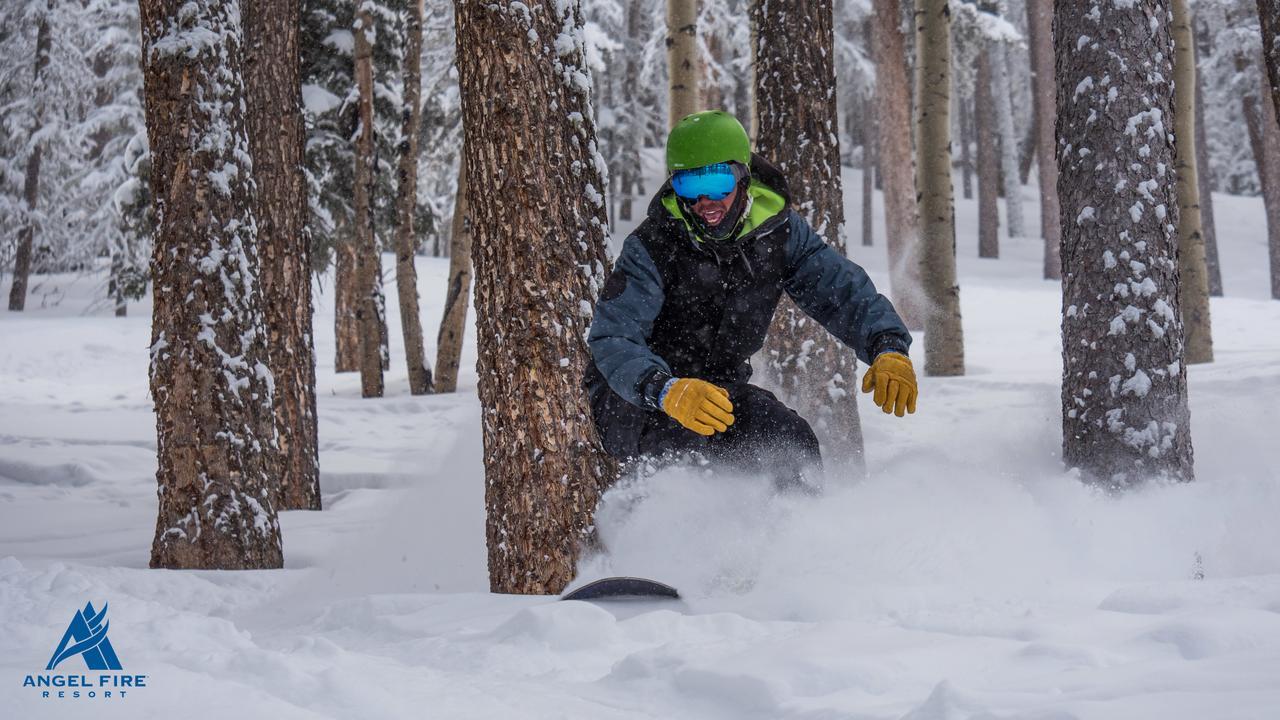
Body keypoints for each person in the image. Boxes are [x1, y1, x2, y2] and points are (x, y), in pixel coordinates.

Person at [585, 110, 916, 489]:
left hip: (718, 388)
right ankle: (668, 540)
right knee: (692, 462)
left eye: (716, 182)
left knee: (789, 440)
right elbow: (614, 336)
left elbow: (841, 291)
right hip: (639, 398)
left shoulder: (777, 232)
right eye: (689, 187)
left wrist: (887, 346)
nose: (705, 202)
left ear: (742, 176)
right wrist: (664, 389)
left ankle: (799, 536)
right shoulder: (653, 246)